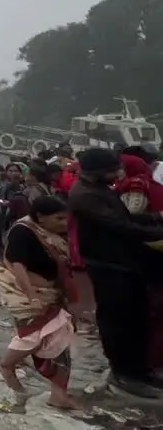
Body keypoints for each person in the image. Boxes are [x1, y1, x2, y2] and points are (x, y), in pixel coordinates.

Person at [67, 147, 163, 398]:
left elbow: (126, 217)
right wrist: (157, 231)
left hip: (124, 264)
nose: (117, 173)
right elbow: (119, 226)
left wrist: (156, 219)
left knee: (137, 318)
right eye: (112, 169)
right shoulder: (85, 195)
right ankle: (125, 373)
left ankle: (141, 371)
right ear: (97, 171)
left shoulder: (99, 190)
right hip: (109, 267)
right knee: (118, 322)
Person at [0, 196, 80, 409]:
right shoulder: (22, 231)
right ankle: (7, 365)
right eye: (58, 218)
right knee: (31, 336)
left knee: (61, 339)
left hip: (51, 293)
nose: (63, 223)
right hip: (25, 294)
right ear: (40, 217)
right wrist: (31, 294)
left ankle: (59, 394)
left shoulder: (51, 232)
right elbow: (18, 265)